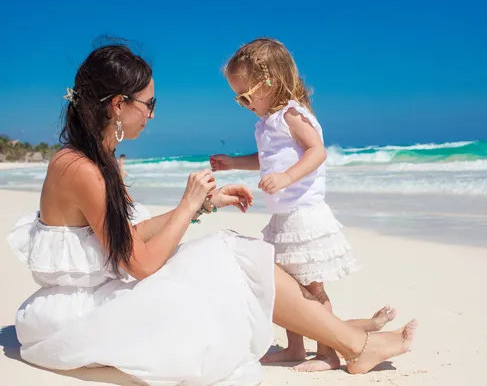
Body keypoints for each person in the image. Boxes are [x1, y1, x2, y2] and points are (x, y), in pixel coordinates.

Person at [7, 42, 417, 386]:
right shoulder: (80, 169)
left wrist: (204, 203)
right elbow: (140, 264)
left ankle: (343, 335)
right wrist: (188, 205)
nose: (153, 114)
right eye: (150, 104)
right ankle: (354, 343)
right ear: (119, 105)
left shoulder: (96, 159)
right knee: (231, 255)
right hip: (77, 316)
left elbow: (126, 236)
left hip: (98, 294)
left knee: (234, 251)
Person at [211, 38, 361, 372]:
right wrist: (233, 162)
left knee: (312, 287)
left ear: (271, 82)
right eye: (238, 98)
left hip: (304, 215)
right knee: (289, 288)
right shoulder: (267, 123)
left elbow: (317, 151)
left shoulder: (292, 114)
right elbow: (265, 160)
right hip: (284, 217)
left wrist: (286, 178)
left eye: (246, 96)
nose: (243, 103)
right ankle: (295, 348)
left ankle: (327, 352)